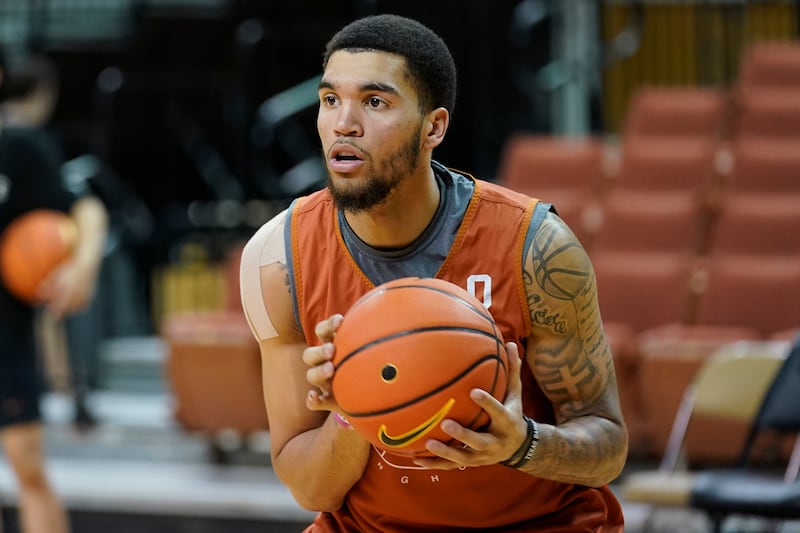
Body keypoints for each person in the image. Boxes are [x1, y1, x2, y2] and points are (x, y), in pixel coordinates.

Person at [240, 13, 628, 532]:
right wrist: (355, 403)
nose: (343, 123)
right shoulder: (277, 258)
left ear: (434, 127)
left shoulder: (535, 246)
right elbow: (312, 488)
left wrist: (523, 445)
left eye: (375, 102)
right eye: (330, 99)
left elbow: (607, 445)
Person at [0, 49, 108, 533]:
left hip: (6, 341)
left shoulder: (18, 148)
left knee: (29, 471)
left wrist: (82, 266)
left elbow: (86, 209)